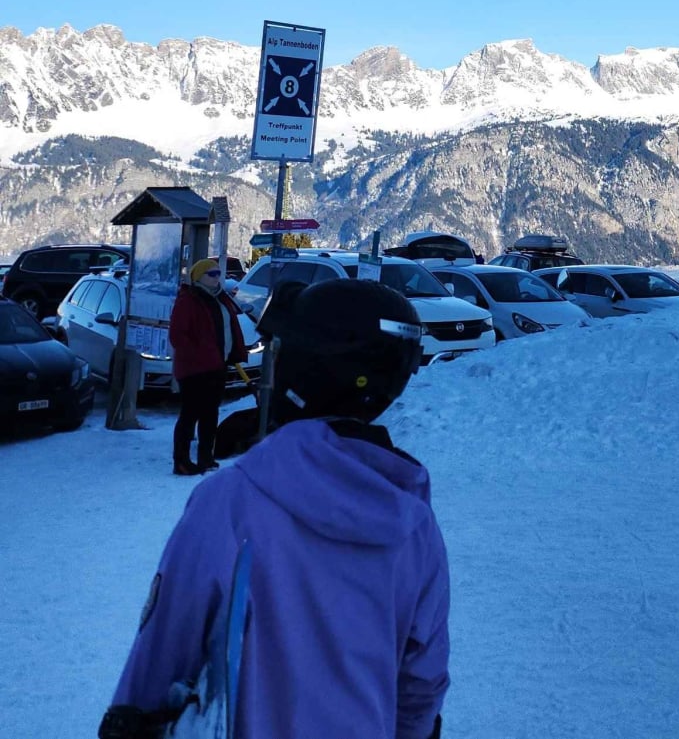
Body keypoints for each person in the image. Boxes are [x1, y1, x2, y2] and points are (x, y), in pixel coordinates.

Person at [99, 279, 450, 739]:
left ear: (300, 368)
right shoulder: (414, 522)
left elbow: (164, 647)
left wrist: (130, 721)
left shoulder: (229, 502)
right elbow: (421, 681)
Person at [167, 258, 247, 475]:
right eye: (211, 274)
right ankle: (181, 460)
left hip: (218, 365)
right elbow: (177, 335)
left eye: (218, 273)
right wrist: (199, 354)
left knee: (210, 414)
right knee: (190, 414)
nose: (217, 277)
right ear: (199, 277)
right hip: (195, 369)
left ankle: (206, 457)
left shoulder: (220, 298)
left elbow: (229, 327)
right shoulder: (189, 300)